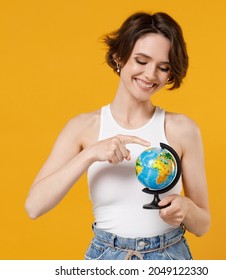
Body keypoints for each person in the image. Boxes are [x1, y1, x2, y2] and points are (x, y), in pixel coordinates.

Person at [25, 12, 210, 260]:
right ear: (118, 57)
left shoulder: (183, 129)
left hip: (169, 257)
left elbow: (203, 225)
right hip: (106, 257)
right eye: (141, 61)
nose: (151, 75)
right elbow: (34, 207)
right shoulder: (83, 127)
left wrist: (186, 209)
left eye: (163, 67)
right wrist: (90, 154)